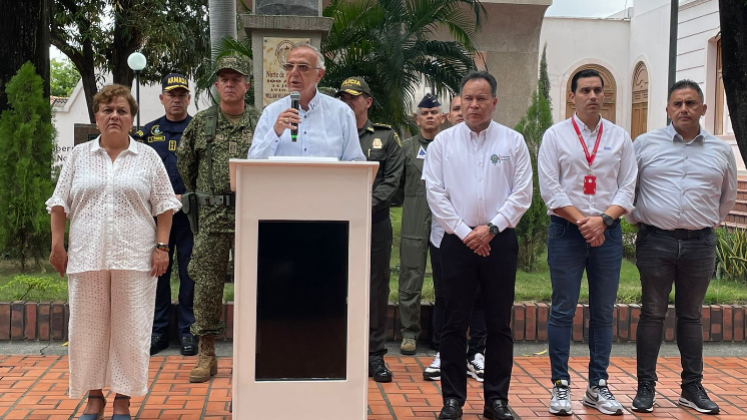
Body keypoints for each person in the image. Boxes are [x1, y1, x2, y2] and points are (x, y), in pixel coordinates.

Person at [47, 84, 180, 420]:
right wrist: (57, 245)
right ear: (97, 117)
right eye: (108, 110)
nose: (115, 116)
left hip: (135, 259)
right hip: (86, 258)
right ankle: (94, 398)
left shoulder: (147, 157)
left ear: (132, 118)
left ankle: (122, 400)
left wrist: (162, 247)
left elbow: (165, 206)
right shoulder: (79, 156)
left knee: (131, 329)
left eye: (122, 110)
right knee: (87, 330)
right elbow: (59, 204)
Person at [424, 71, 533, 420]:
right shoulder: (443, 142)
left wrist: (492, 228)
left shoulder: (512, 142)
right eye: (468, 98)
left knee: (500, 323)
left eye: (481, 98)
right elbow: (435, 194)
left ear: (494, 103)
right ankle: (452, 399)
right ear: (461, 101)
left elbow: (522, 194)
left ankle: (496, 400)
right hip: (456, 242)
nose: (474, 104)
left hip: (499, 241)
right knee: (454, 323)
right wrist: (464, 231)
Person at [627, 80, 737, 415]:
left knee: (691, 317)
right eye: (677, 103)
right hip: (655, 241)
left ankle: (692, 388)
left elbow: (727, 198)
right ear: (667, 109)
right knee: (652, 315)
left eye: (691, 103)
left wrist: (700, 223)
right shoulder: (644, 144)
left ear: (703, 109)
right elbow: (627, 190)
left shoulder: (720, 150)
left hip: (699, 244)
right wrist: (642, 221)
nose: (684, 109)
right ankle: (646, 387)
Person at [537, 69, 637, 416]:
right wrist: (584, 222)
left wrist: (604, 220)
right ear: (572, 96)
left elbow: (628, 187)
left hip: (607, 233)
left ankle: (598, 386)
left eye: (598, 90)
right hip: (566, 231)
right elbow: (550, 189)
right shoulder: (555, 136)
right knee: (563, 309)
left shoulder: (620, 137)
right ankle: (560, 385)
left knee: (603, 313)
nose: (593, 96)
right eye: (585, 90)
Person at [176, 54, 257, 383]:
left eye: (236, 79)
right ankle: (206, 353)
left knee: (256, 283)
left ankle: (255, 351)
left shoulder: (261, 121)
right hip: (212, 218)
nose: (229, 84)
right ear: (215, 85)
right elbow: (186, 167)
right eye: (223, 79)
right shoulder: (201, 123)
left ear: (247, 85)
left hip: (253, 215)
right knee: (207, 285)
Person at [396, 94, 486, 385]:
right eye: (425, 112)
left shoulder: (452, 145)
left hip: (447, 224)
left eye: (435, 112)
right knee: (410, 275)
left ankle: (450, 343)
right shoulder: (407, 148)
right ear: (417, 117)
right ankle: (410, 333)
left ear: (443, 116)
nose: (430, 117)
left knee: (447, 285)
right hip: (416, 217)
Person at [337, 77, 405, 382]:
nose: (348, 102)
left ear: (368, 101)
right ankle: (339, 348)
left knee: (376, 288)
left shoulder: (386, 137)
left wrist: (361, 205)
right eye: (343, 98)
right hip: (336, 224)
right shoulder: (331, 137)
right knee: (336, 286)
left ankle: (374, 354)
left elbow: (392, 181)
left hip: (374, 223)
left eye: (354, 97)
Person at [135, 73, 197, 356]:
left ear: (189, 98)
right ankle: (158, 331)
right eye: (171, 94)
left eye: (182, 94)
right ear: (162, 99)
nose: (176, 99)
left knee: (189, 272)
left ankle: (188, 331)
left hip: (189, 216)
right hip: (156, 217)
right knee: (158, 272)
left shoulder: (199, 129)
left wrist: (188, 197)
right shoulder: (146, 134)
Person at [248, 43, 365, 161]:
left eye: (303, 67)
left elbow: (355, 161)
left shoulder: (342, 112)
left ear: (319, 75)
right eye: (289, 66)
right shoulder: (271, 112)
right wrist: (275, 132)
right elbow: (253, 162)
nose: (294, 72)